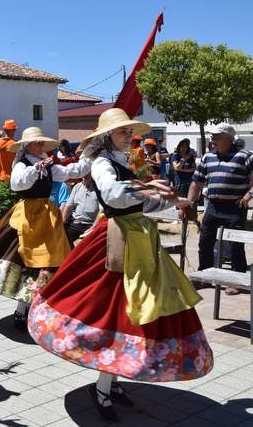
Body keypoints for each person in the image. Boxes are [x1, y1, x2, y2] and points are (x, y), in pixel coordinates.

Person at [28, 108, 212, 422]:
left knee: (132, 311)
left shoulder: (124, 160)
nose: (128, 136)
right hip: (116, 241)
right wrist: (151, 189)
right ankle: (102, 388)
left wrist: (171, 200)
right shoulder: (102, 162)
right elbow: (114, 197)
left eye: (129, 131)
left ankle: (110, 383)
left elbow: (140, 201)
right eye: (122, 132)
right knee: (115, 310)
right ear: (106, 136)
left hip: (139, 237)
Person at [0, 127, 91, 329]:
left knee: (47, 260)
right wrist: (35, 169)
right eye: (37, 142)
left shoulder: (49, 164)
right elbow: (17, 184)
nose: (41, 145)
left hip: (47, 216)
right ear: (27, 145)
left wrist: (89, 154)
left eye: (42, 142)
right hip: (27, 216)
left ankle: (36, 307)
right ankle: (21, 310)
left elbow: (72, 172)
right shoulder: (23, 164)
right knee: (26, 259)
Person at [187, 124, 252, 293]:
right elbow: (196, 183)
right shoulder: (207, 157)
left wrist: (249, 195)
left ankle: (237, 281)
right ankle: (205, 278)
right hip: (213, 207)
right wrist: (188, 204)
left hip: (234, 208)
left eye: (216, 136)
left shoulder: (245, 156)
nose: (212, 139)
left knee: (236, 245)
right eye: (212, 136)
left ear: (229, 139)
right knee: (205, 242)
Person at [61, 172, 100, 244]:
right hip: (75, 223)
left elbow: (101, 211)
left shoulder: (98, 189)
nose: (84, 179)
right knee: (62, 239)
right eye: (82, 177)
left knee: (82, 244)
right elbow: (69, 206)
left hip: (90, 224)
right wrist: (62, 221)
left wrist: (93, 227)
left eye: (86, 177)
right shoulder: (77, 187)